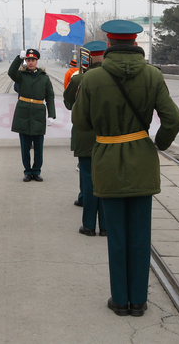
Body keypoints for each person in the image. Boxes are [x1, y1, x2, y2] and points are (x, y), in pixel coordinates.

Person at [73, 20, 179, 317]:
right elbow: (173, 119)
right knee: (140, 235)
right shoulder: (153, 75)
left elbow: (81, 123)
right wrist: (157, 144)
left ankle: (120, 300)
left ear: (108, 44)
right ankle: (140, 301)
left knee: (117, 236)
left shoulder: (93, 79)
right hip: (142, 160)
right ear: (136, 43)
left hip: (107, 158)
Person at [64, 40, 107, 236]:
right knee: (106, 181)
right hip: (108, 137)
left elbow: (68, 103)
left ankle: (89, 225)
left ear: (86, 58)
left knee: (88, 180)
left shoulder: (77, 79)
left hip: (85, 136)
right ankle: (106, 226)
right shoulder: (112, 77)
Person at [8, 48, 56, 182]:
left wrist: (51, 114)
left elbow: (50, 97)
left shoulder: (44, 78)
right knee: (25, 146)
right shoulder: (21, 76)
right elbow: (11, 72)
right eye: (28, 60)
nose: (30, 63)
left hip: (38, 113)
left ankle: (36, 171)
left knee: (39, 146)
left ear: (37, 61)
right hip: (23, 113)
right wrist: (18, 58)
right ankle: (27, 171)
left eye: (33, 60)